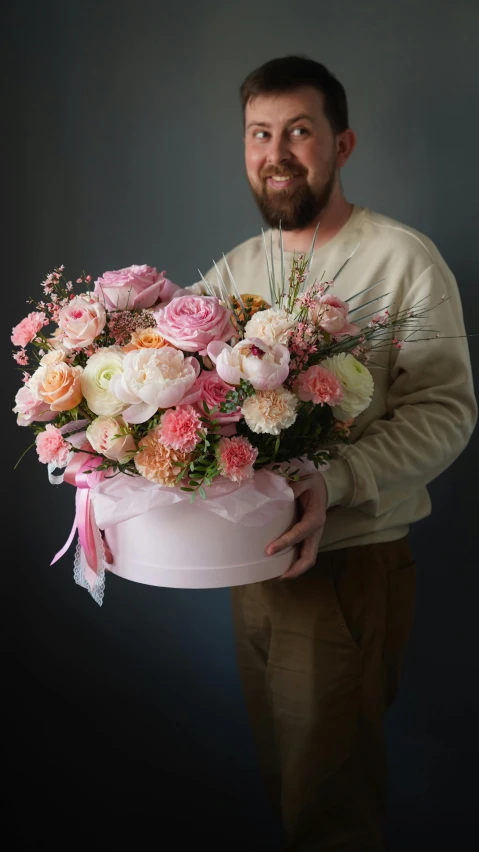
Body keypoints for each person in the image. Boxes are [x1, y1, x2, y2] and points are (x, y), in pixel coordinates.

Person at [195, 56, 477, 850]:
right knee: (288, 786)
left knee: (329, 808)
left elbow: (445, 409)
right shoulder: (232, 272)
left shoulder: (401, 259)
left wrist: (334, 476)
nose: (275, 151)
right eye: (259, 133)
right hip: (250, 569)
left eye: (298, 131)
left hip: (347, 568)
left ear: (341, 144)